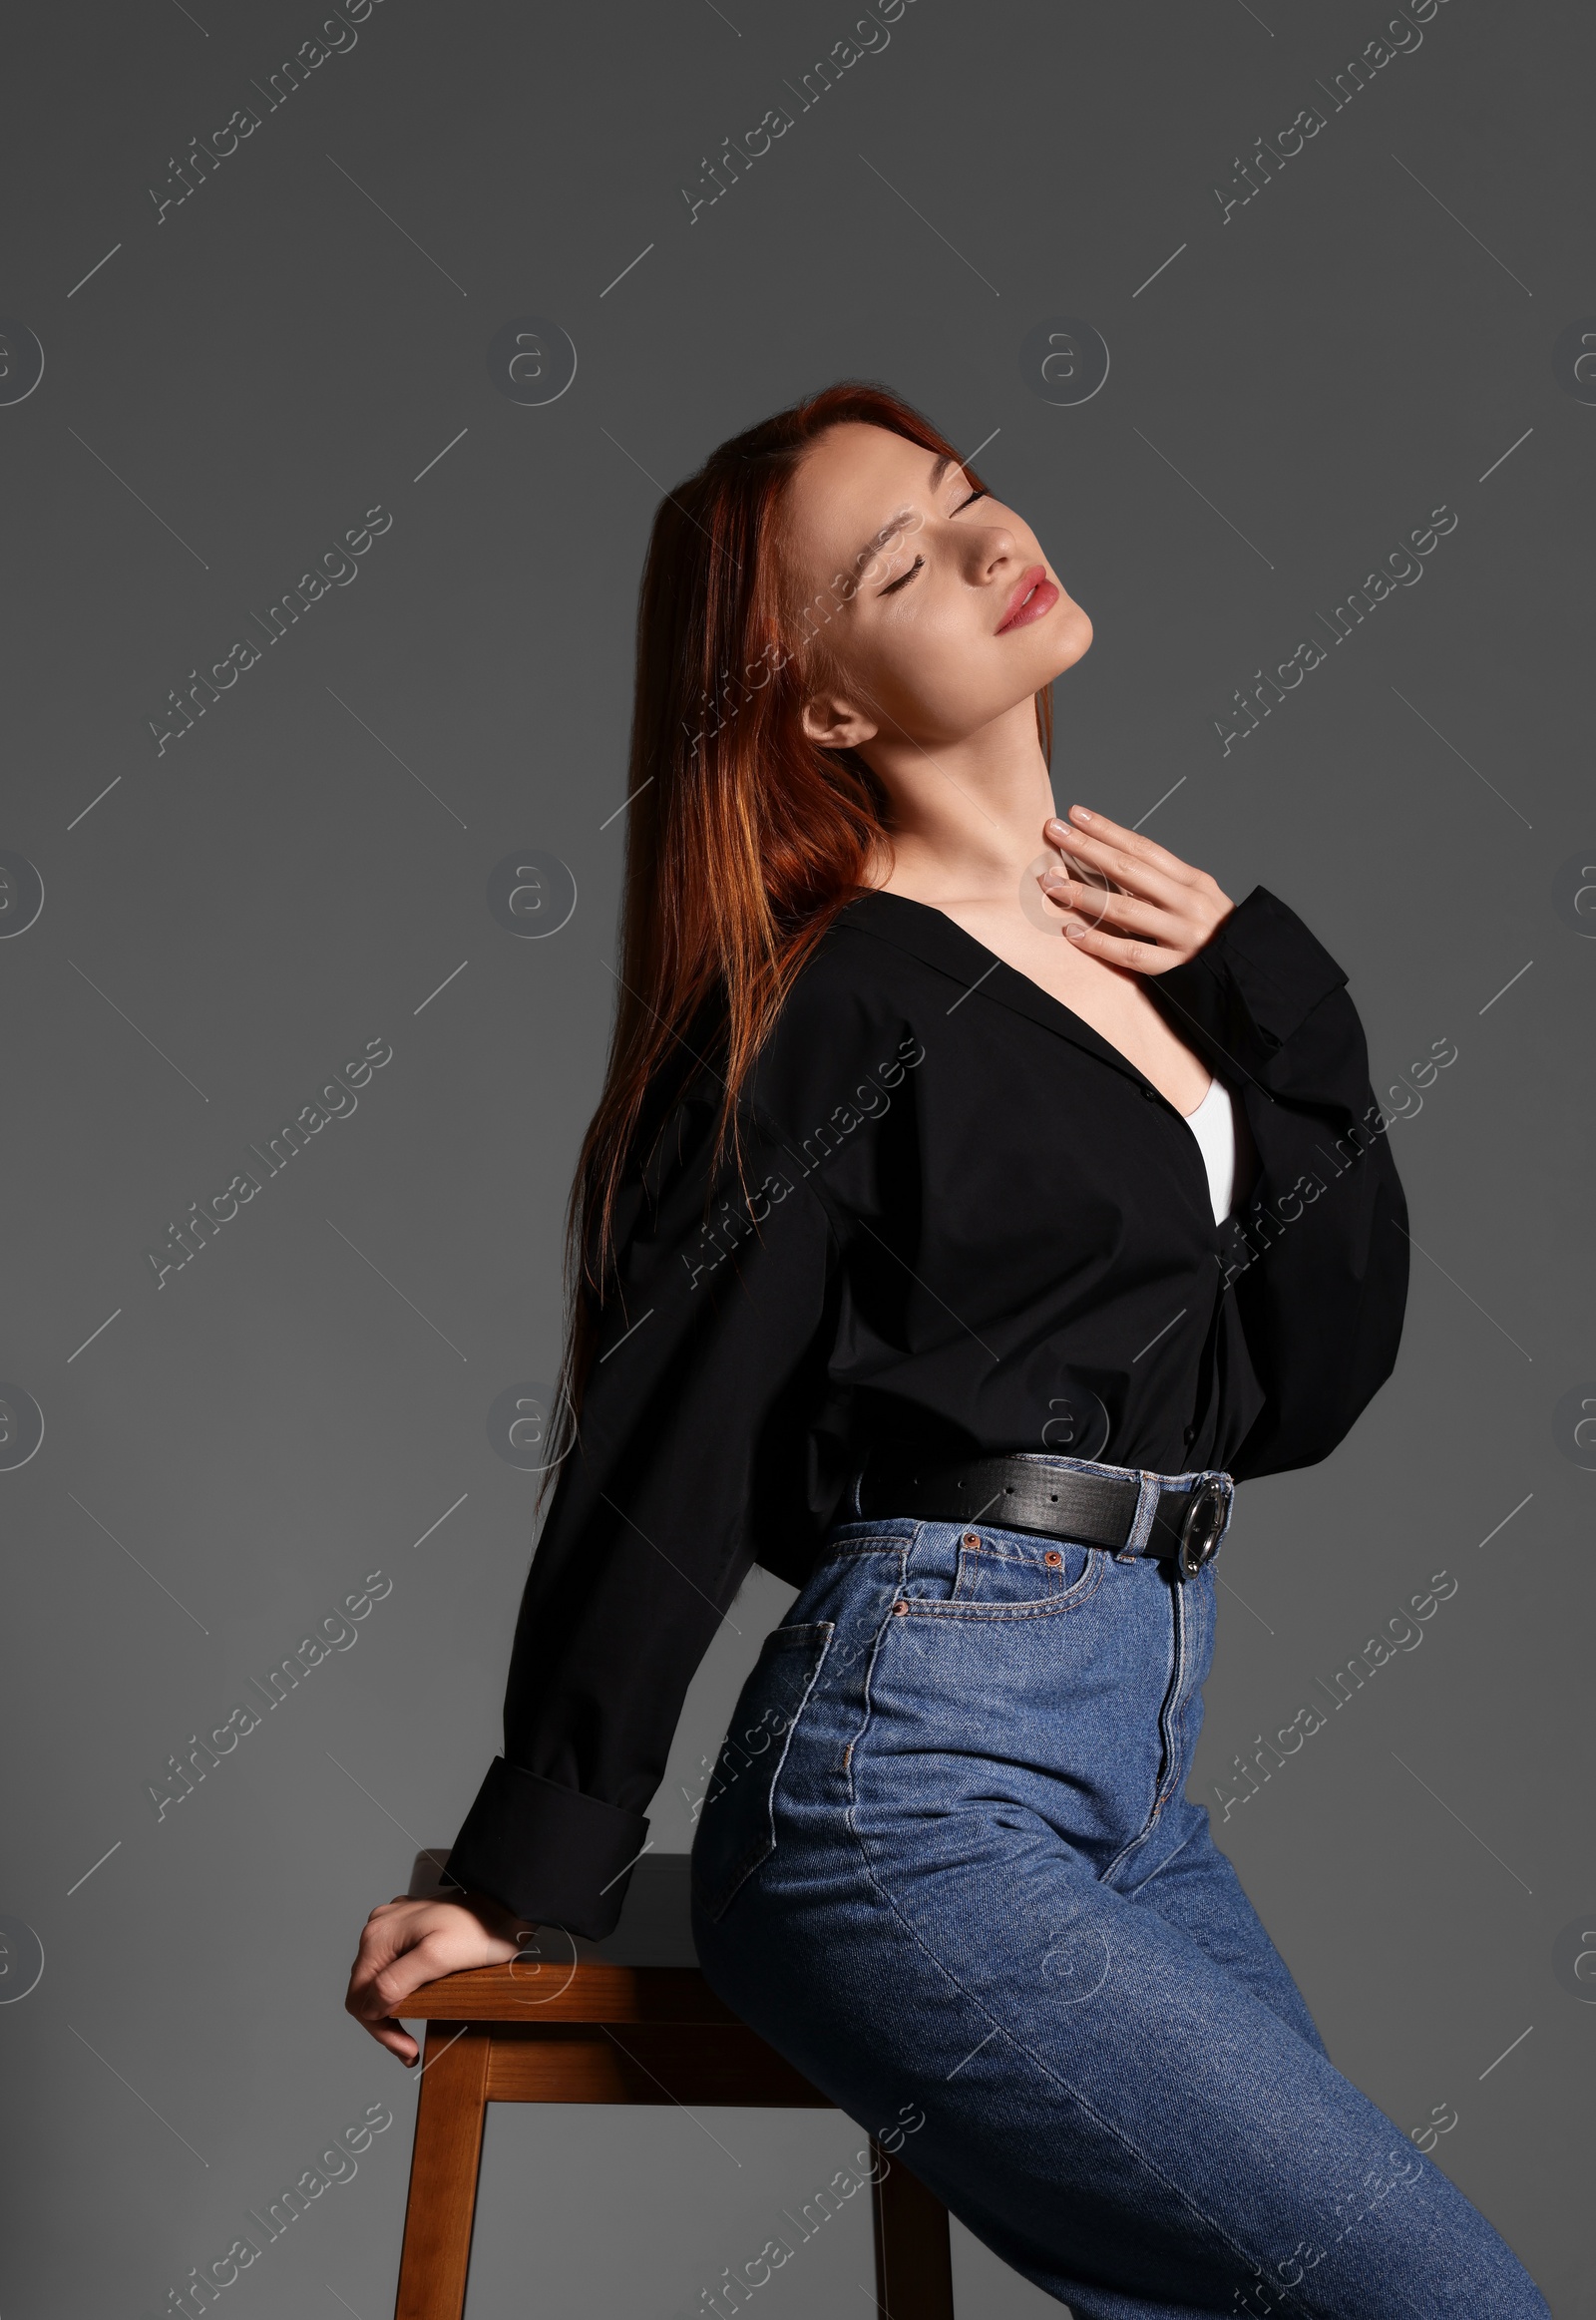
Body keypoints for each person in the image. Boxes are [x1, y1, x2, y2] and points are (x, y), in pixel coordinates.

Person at [345, 383, 1550, 2316]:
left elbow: (1290, 1394)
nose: (991, 543)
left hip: (1129, 1780)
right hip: (905, 1782)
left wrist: (1284, 1014)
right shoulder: (823, 1007)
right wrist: (524, 1862)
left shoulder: (1156, 966)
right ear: (824, 706)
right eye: (903, 560)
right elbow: (670, 1436)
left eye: (968, 493)